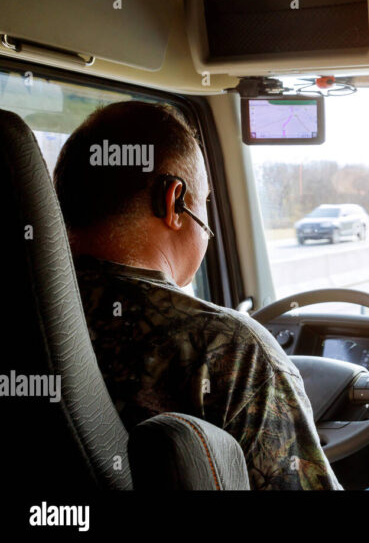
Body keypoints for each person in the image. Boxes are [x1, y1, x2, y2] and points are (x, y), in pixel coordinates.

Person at [53, 101, 342, 490]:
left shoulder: (28, 316)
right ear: (174, 202)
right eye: (203, 202)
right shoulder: (230, 349)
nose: (206, 228)